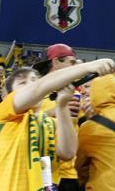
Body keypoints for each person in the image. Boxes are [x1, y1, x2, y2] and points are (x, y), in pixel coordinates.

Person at [0, 58, 115, 191]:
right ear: (8, 96)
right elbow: (40, 87)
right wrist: (89, 67)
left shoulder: (49, 122)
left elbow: (68, 153)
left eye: (34, 80)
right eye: (23, 83)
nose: (31, 84)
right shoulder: (3, 112)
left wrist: (62, 106)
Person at [35, 44, 82, 191]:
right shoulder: (34, 94)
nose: (75, 67)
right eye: (71, 62)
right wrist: (54, 111)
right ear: (56, 62)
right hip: (41, 174)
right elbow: (22, 122)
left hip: (73, 174)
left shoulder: (76, 94)